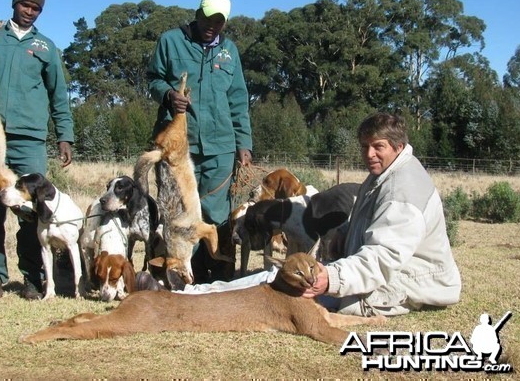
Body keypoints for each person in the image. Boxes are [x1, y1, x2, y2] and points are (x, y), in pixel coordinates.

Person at [177, 112, 462, 317]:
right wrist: (341, 245)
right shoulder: (386, 175)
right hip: (387, 275)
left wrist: (332, 278)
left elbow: (382, 258)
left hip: (407, 284)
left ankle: (188, 298)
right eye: (365, 147)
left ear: (398, 147)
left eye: (379, 147)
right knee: (278, 278)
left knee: (277, 289)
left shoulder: (402, 191)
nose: (370, 154)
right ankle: (188, 295)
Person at [0, 0, 74, 301]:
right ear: (13, 3)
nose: (29, 11)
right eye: (25, 4)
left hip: (29, 139)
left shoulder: (45, 47)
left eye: (36, 8)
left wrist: (64, 136)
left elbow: (59, 94)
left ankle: (32, 276)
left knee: (32, 210)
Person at [146, 0, 253, 279]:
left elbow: (238, 99)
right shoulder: (171, 41)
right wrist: (168, 95)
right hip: (179, 147)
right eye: (208, 18)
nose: (212, 25)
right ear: (197, 13)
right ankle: (179, 274)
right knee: (180, 214)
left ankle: (218, 277)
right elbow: (153, 79)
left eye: (219, 21)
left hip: (220, 147)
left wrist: (244, 143)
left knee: (217, 213)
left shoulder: (229, 51)